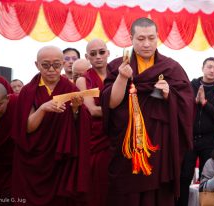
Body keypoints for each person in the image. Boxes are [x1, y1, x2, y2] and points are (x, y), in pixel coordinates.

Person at [100, 17, 194, 206]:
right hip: (127, 145)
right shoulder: (118, 66)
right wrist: (122, 77)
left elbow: (187, 104)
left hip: (159, 144)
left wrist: (170, 95)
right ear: (131, 38)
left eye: (151, 38)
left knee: (156, 195)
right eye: (141, 39)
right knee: (125, 194)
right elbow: (110, 103)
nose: (146, 44)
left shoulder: (171, 68)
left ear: (158, 37)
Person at [11, 46, 88, 206]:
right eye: (46, 65)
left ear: (63, 64)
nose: (52, 70)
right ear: (37, 65)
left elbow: (77, 126)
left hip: (59, 159)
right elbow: (27, 129)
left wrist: (75, 109)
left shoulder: (70, 89)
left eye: (57, 65)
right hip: (33, 159)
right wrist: (43, 108)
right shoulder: (28, 91)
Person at [177, 57, 214, 206]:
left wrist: (204, 103)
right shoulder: (191, 85)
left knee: (207, 178)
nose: (212, 70)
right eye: (209, 67)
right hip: (190, 138)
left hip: (209, 139)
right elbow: (181, 108)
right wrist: (193, 102)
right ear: (202, 68)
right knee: (184, 175)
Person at [75, 39, 110, 206]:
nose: (98, 57)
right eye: (93, 54)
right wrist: (122, 113)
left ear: (108, 53)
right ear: (87, 57)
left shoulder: (118, 75)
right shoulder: (83, 80)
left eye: (102, 52)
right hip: (96, 139)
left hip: (118, 137)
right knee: (97, 185)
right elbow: (93, 110)